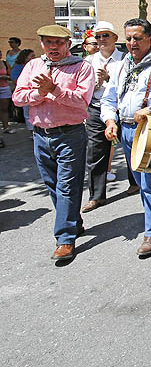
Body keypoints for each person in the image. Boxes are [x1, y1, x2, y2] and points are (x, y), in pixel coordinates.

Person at [100, 18, 151, 257]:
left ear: (150, 38)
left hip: (148, 129)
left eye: (137, 38)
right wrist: (109, 121)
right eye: (128, 38)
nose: (132, 43)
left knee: (149, 182)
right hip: (125, 129)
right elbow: (108, 100)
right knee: (140, 181)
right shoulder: (119, 66)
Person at [12, 25, 95, 261]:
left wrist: (55, 90)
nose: (53, 47)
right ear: (42, 44)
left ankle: (65, 238)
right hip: (40, 135)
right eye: (48, 42)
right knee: (52, 185)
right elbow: (19, 98)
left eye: (58, 43)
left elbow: (81, 102)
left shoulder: (81, 67)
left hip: (70, 134)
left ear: (68, 44)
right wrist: (39, 93)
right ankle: (73, 221)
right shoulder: (33, 66)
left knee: (67, 186)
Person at [81, 21, 125, 213]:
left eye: (105, 36)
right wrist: (97, 83)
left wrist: (110, 80)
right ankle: (96, 196)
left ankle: (135, 185)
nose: (101, 40)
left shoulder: (125, 59)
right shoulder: (89, 62)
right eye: (98, 37)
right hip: (96, 109)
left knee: (131, 148)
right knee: (96, 152)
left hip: (121, 109)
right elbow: (84, 91)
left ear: (115, 38)